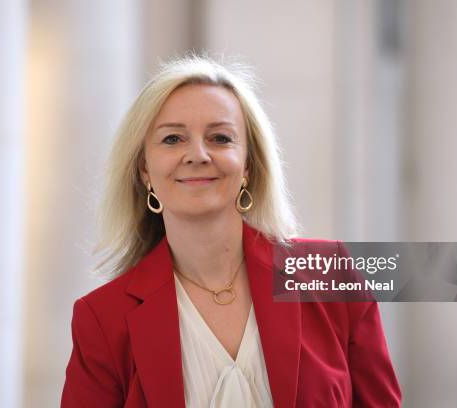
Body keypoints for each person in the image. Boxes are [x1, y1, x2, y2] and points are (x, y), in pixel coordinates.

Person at [61, 55, 401, 407]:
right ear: (144, 169)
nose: (197, 154)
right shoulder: (102, 317)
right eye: (173, 139)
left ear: (248, 167)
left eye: (220, 138)